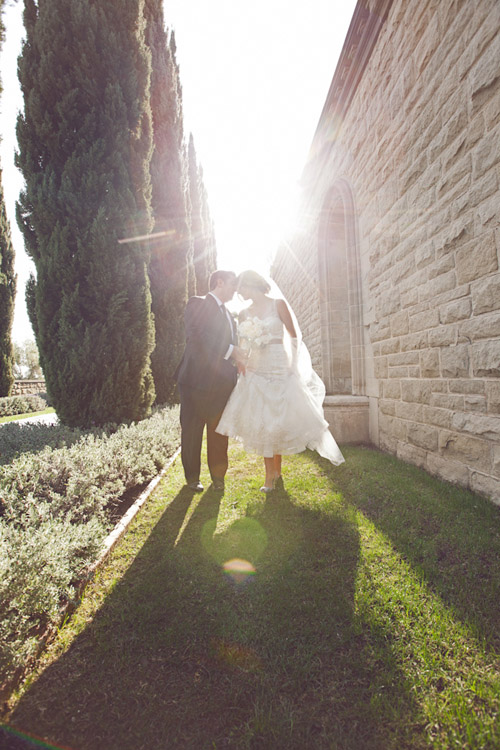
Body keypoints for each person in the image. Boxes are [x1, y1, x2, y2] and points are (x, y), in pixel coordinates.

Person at [216, 270, 344, 491]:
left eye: (242, 288)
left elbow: (294, 336)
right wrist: (244, 363)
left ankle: (277, 472)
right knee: (263, 419)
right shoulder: (244, 314)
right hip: (257, 368)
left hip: (279, 364)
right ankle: (269, 477)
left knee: (277, 419)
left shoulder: (278, 304)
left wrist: (293, 364)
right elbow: (244, 344)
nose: (240, 293)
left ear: (252, 284)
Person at [175, 270, 248, 492]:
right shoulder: (197, 304)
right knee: (192, 430)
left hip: (222, 383)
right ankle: (192, 478)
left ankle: (218, 478)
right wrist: (231, 350)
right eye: (232, 285)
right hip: (195, 381)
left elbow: (232, 347)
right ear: (219, 282)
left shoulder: (229, 315)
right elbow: (196, 337)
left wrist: (240, 360)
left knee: (219, 433)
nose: (235, 290)